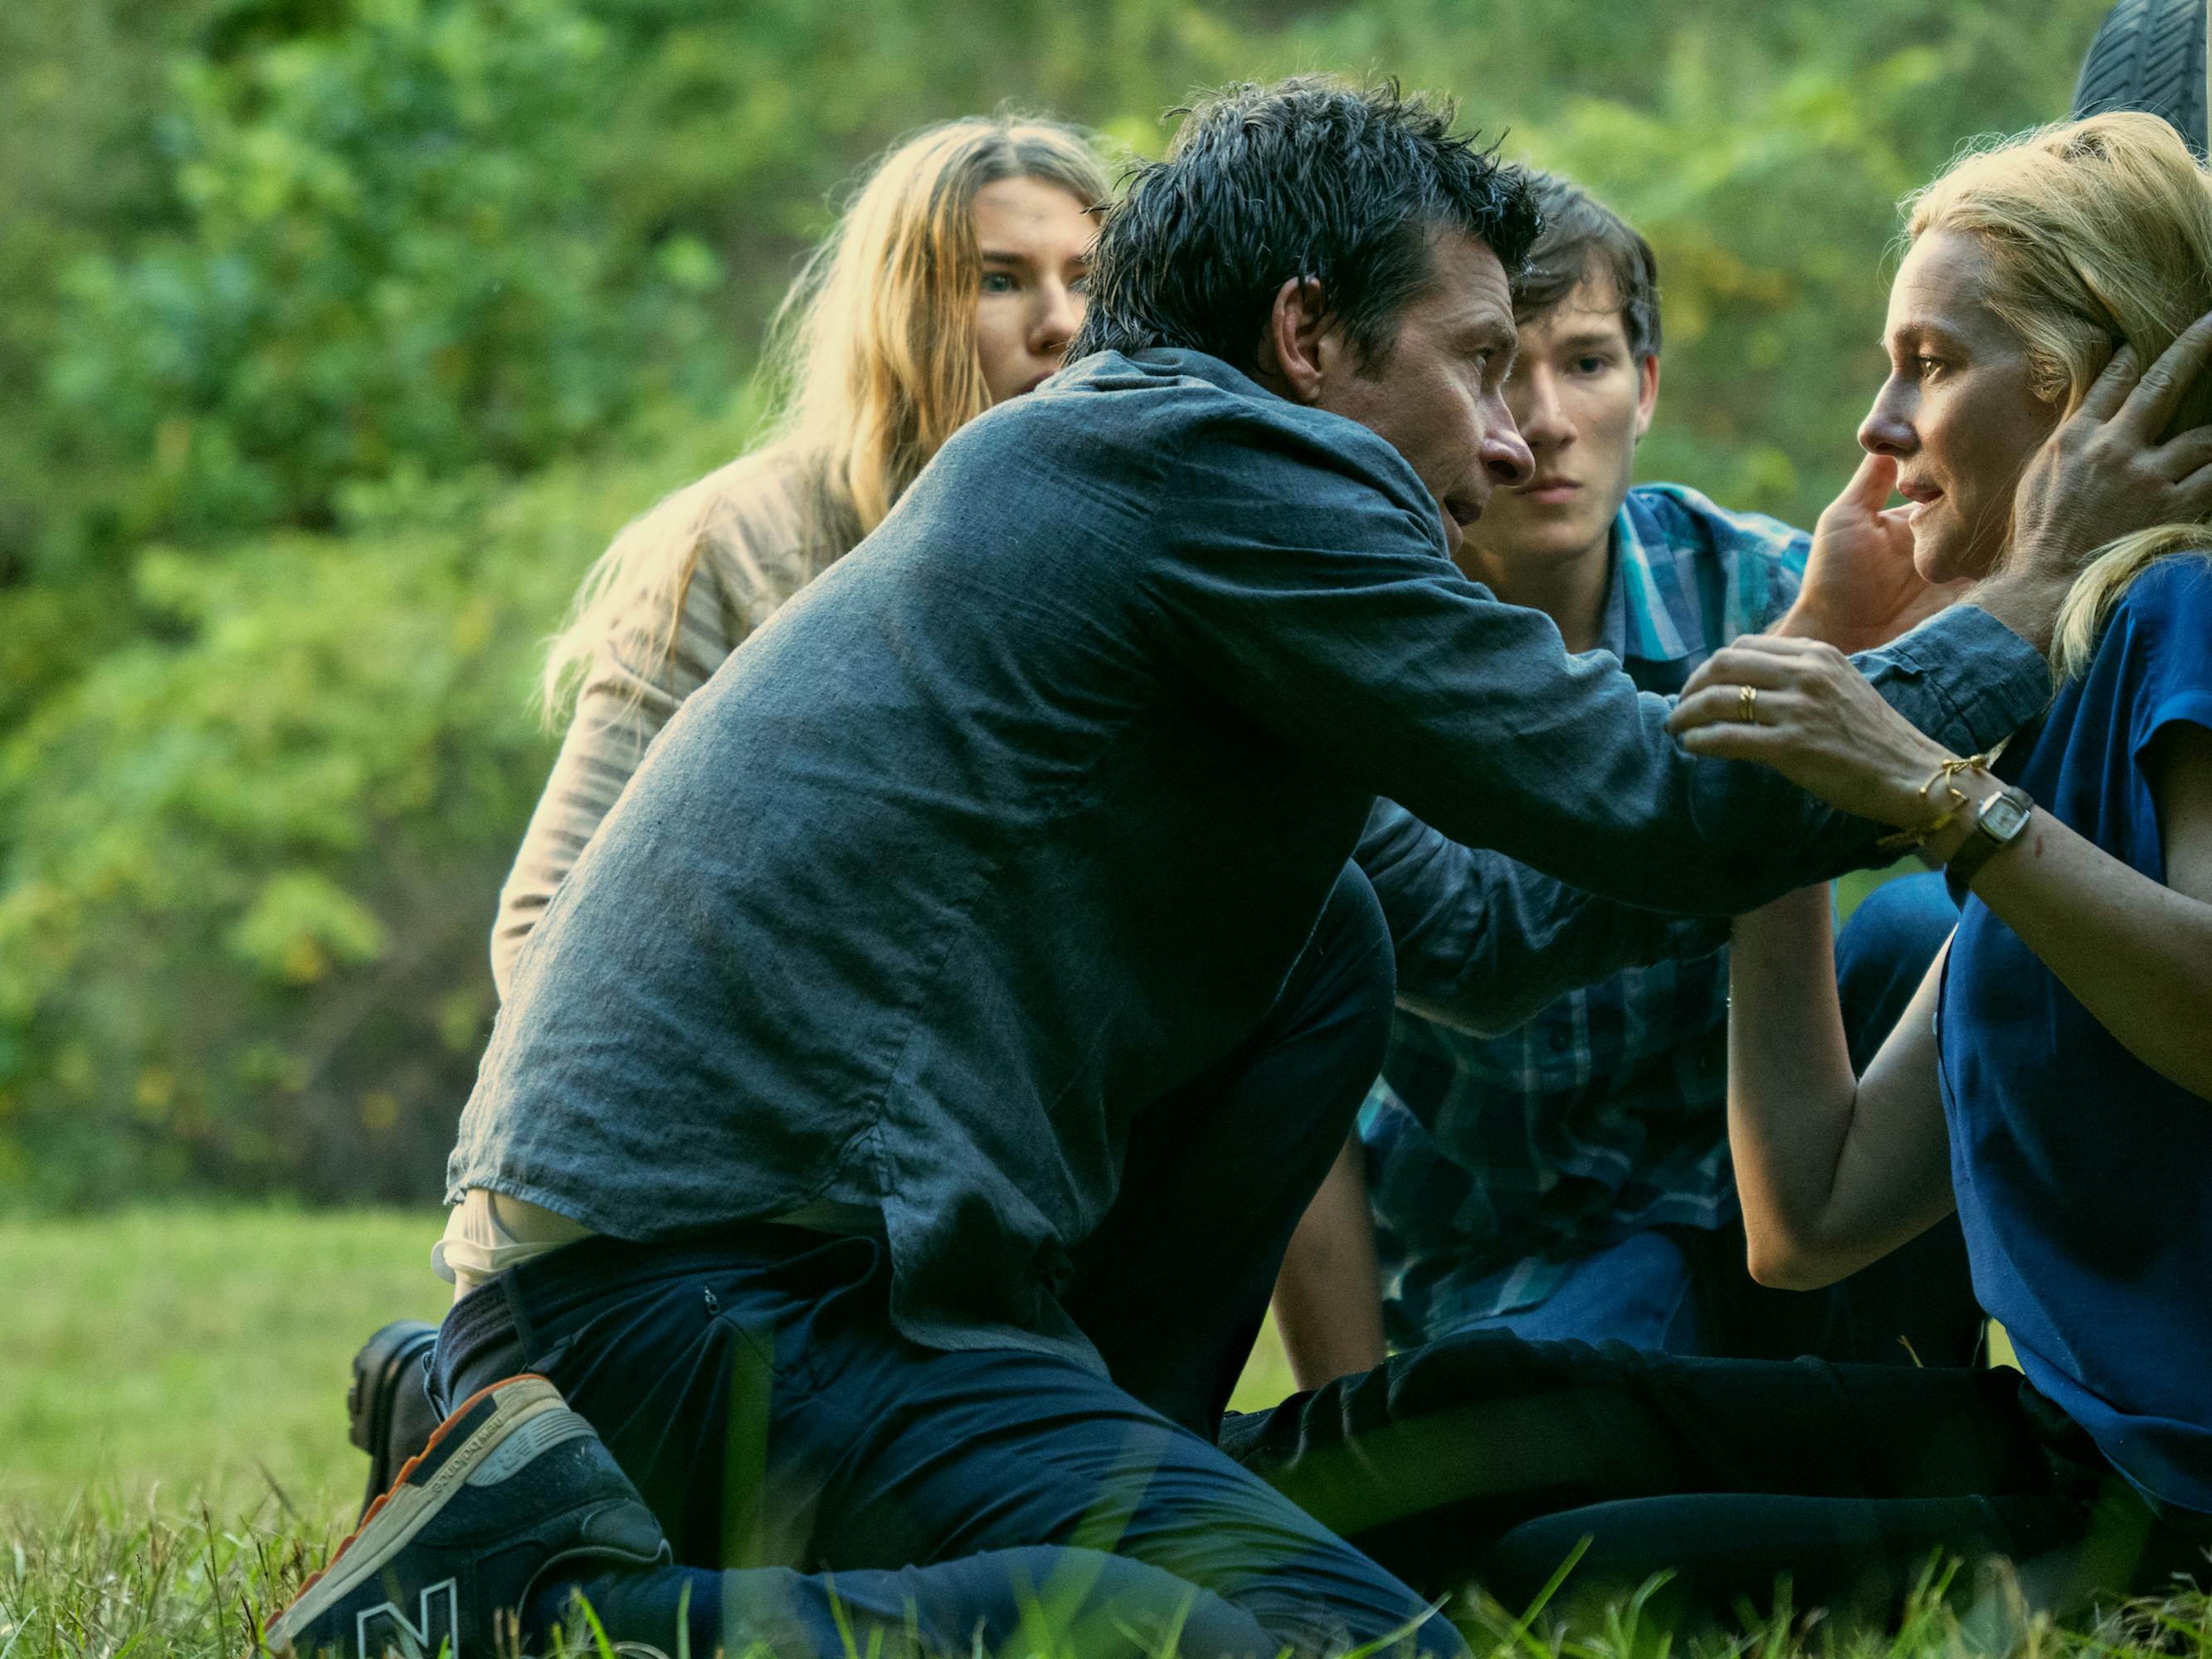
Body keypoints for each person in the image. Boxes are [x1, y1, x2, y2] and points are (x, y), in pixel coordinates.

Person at [269, 79, 2159, 1659]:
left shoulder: (1152, 485)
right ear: (1307, 338)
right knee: (1330, 1646)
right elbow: (1657, 813)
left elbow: (1482, 938)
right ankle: (538, 1606)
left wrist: (1829, 669)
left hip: (704, 1284)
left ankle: (1017, 1451)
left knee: (1331, 935)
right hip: (730, 1294)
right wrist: (2007, 604)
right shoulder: (1231, 472)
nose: (1512, 443)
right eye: (1479, 363)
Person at [1217, 112, 2212, 1632]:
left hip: (2171, 1503)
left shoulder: (2182, 616)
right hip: (2067, 1443)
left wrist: (1929, 794)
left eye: (1929, 364)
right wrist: (1801, 756)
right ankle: (1059, 1518)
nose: (1878, 424)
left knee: (1552, 1566)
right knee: (1466, 1413)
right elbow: (1805, 1217)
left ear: (2087, 404)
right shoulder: (2063, 697)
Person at [343, 111, 1112, 1507]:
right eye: (1000, 279)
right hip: (703, 1222)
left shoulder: (1110, 559)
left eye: (1084, 277)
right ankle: (459, 1399)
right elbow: (541, 930)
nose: (1057, 323)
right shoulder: (744, 542)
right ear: (905, 307)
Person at [1267, 173, 1974, 1387]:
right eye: (1498, 370)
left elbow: (2001, 778)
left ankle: (1926, 1400)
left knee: (1928, 932)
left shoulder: (1769, 588)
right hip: (1525, 1252)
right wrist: (1350, 1430)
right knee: (1535, 1445)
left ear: (1644, 388)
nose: (1541, 420)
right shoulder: (1348, 644)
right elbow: (1301, 1080)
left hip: (1776, 1186)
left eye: (1586, 364)